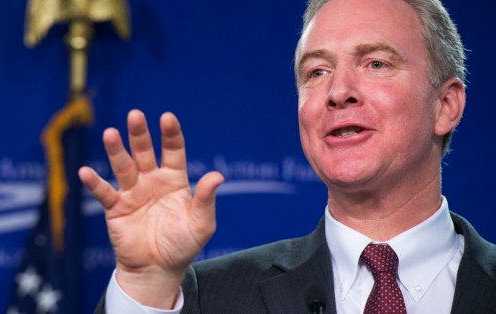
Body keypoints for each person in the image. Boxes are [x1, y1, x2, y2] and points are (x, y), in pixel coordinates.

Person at [78, 0, 496, 312]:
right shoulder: (205, 298)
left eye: (375, 63)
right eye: (317, 72)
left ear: (446, 105)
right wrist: (147, 286)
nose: (337, 92)